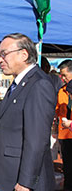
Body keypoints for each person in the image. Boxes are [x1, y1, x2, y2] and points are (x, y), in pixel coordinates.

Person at [0, 33, 56, 191]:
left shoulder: (38, 84)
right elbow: (3, 119)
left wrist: (26, 182)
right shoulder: (19, 82)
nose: (0, 60)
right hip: (10, 172)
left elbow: (37, 139)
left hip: (22, 178)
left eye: (4, 54)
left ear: (24, 54)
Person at [55, 60, 72, 191]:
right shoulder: (62, 91)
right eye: (61, 75)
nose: (62, 78)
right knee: (67, 166)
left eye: (64, 75)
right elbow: (57, 111)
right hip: (64, 135)